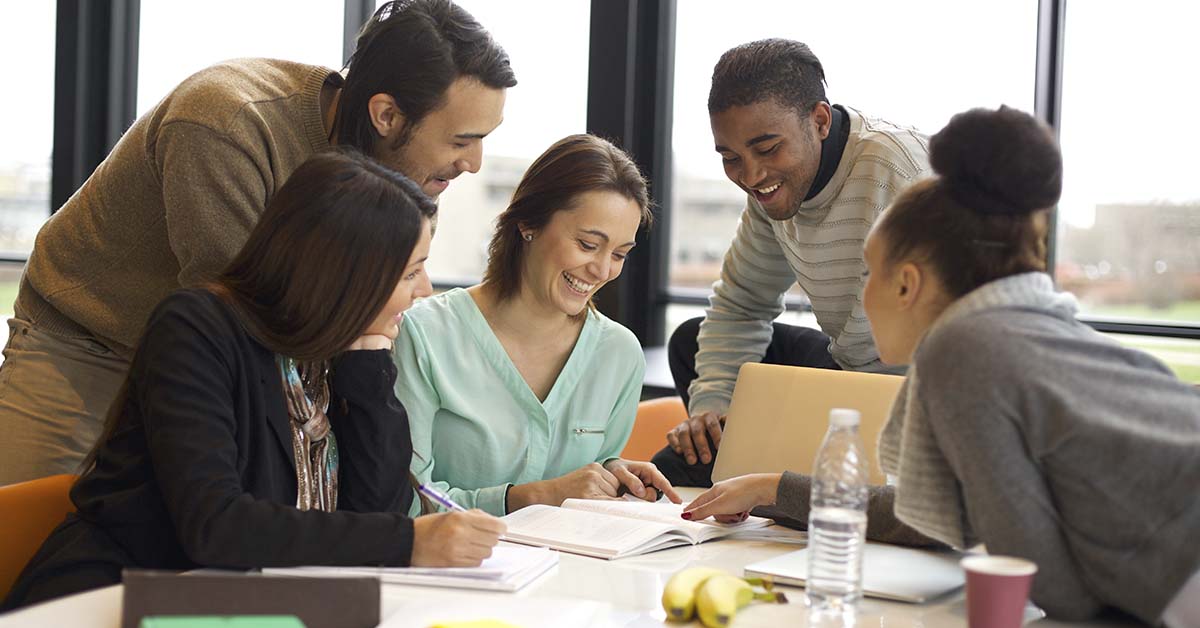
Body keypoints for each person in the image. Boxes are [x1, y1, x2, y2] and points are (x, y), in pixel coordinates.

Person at [691, 106, 1200, 625]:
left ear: (907, 285)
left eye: (869, 273)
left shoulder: (962, 352)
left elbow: (1046, 585)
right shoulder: (1027, 329)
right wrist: (772, 488)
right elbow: (942, 520)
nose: (859, 297)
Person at [0, 0, 517, 485]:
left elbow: (362, 314)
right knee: (34, 535)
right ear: (386, 115)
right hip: (91, 343)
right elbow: (238, 319)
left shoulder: (411, 174)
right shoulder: (227, 122)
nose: (472, 164)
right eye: (461, 140)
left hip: (235, 364)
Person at [1, 149, 508, 611]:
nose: (424, 290)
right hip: (120, 600)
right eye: (410, 273)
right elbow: (215, 526)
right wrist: (409, 541)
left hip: (247, 602)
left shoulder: (331, 352)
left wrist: (369, 368)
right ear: (344, 276)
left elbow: (377, 507)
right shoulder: (197, 329)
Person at [652, 39, 930, 487]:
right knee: (689, 347)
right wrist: (713, 406)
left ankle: (778, 479)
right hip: (847, 373)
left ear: (819, 121)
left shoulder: (901, 175)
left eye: (767, 149)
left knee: (694, 471)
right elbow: (741, 306)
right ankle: (755, 466)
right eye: (730, 158)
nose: (751, 176)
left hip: (913, 395)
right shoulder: (770, 193)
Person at [394, 134, 680, 517]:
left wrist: (613, 473)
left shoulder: (619, 354)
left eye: (619, 254)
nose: (602, 270)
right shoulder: (423, 335)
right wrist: (528, 497)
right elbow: (408, 501)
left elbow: (588, 473)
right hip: (452, 555)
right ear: (529, 223)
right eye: (587, 244)